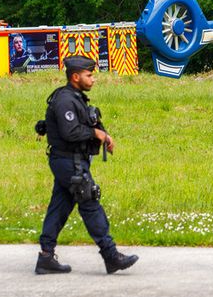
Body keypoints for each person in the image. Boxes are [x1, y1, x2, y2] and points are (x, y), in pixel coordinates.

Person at [36, 56, 138, 275]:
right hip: (67, 160)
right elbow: (71, 132)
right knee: (89, 200)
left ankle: (45, 257)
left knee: (60, 206)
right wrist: (96, 133)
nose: (93, 79)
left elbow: (86, 123)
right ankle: (111, 256)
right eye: (89, 75)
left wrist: (103, 135)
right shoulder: (65, 100)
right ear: (75, 77)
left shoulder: (76, 98)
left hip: (72, 160)